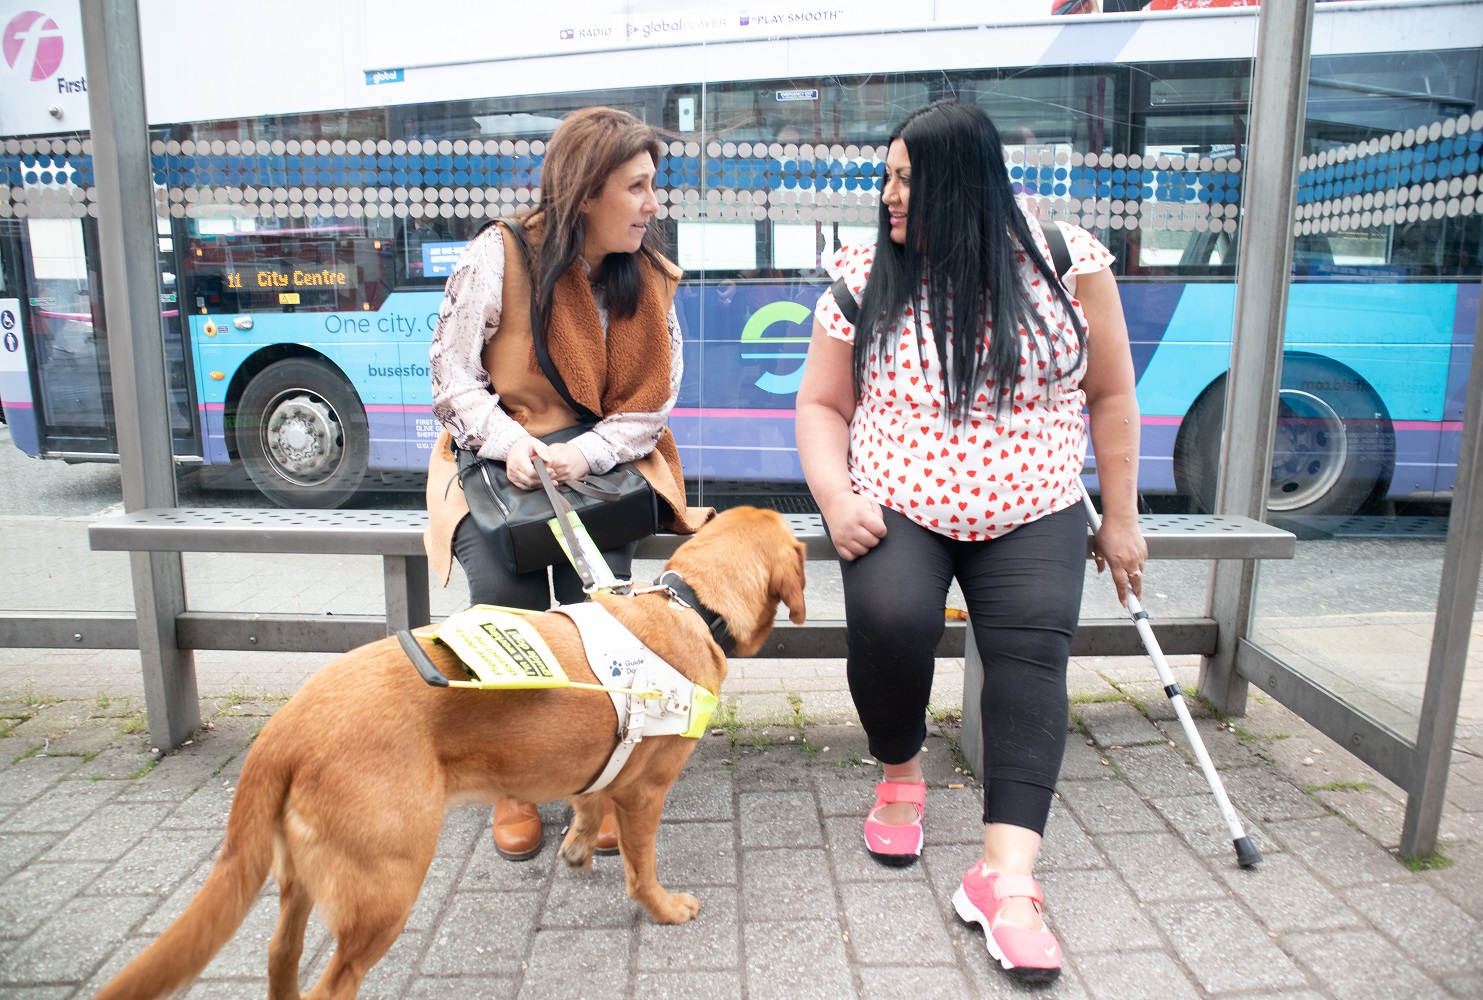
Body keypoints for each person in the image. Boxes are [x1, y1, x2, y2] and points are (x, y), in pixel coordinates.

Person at [795, 101, 1145, 984]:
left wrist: (1123, 515)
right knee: (892, 621)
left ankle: (1008, 879)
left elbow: (1110, 395)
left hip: (1035, 500)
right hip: (899, 496)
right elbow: (821, 404)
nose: (889, 195)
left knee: (1032, 657)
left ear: (964, 182)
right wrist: (836, 498)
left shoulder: (1065, 262)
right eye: (886, 176)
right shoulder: (867, 269)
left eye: (906, 178)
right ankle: (902, 771)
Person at [424, 106, 710, 862]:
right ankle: (512, 778)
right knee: (512, 600)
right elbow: (453, 380)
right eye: (638, 186)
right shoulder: (500, 255)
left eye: (655, 185)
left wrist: (582, 456)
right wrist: (514, 443)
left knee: (606, 616)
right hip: (493, 462)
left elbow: (651, 408)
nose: (654, 204)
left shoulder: (644, 274)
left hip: (598, 469)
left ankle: (601, 776)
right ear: (586, 192)